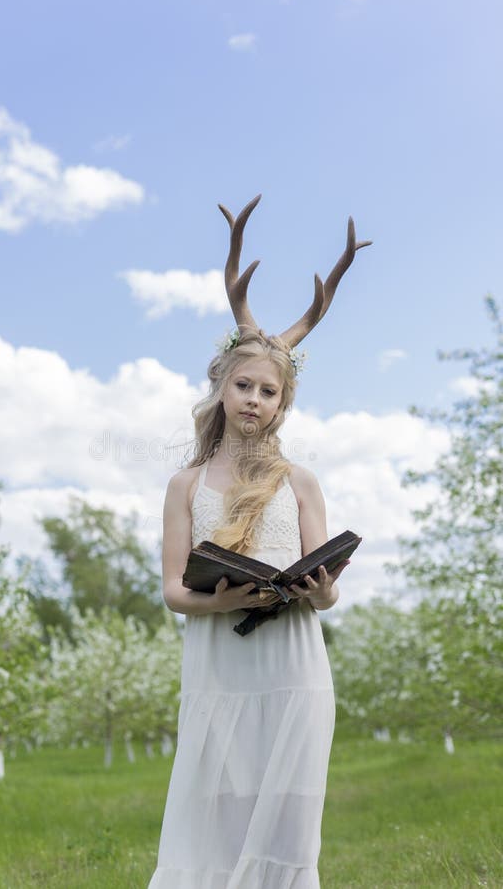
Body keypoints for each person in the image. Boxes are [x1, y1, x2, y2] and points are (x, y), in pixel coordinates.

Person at [147, 195, 370, 888]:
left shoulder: (301, 481)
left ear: (282, 404)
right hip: (222, 668)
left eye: (268, 392)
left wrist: (322, 589)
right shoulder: (185, 485)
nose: (253, 399)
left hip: (294, 665)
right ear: (219, 387)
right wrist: (225, 599)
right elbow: (175, 592)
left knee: (289, 820)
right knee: (221, 814)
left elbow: (326, 590)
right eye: (243, 385)